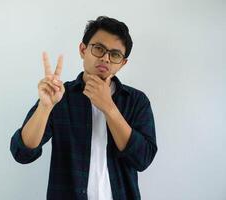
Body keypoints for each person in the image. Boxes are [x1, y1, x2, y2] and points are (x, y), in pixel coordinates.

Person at [10, 16, 157, 200]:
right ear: (83, 49)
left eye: (115, 54)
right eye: (98, 49)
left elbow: (142, 159)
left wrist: (109, 108)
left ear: (122, 63)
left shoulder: (136, 101)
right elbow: (22, 153)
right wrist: (45, 107)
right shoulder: (60, 96)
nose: (105, 58)